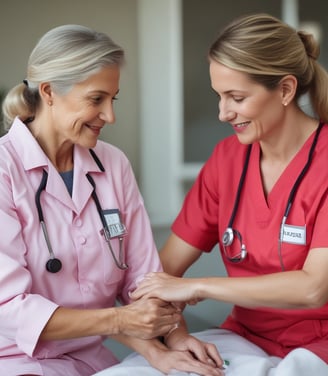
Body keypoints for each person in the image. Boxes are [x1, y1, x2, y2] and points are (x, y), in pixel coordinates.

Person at [0, 24, 224, 376]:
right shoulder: (4, 170)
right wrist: (122, 319)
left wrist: (175, 339)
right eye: (96, 99)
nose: (110, 115)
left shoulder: (113, 164)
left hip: (93, 360)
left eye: (112, 99)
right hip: (15, 361)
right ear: (48, 92)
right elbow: (9, 309)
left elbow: (143, 278)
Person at [129, 12, 328, 374]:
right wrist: (176, 338)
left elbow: (314, 288)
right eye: (219, 96)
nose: (223, 113)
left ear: (284, 90)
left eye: (235, 97)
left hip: (320, 344)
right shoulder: (227, 161)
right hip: (246, 335)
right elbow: (163, 272)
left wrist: (197, 288)